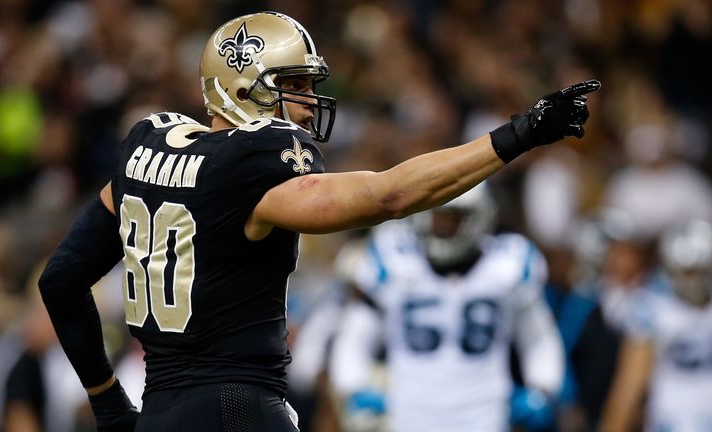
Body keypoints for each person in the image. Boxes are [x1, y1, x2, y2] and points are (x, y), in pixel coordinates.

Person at [37, 11, 599, 432]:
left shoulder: (147, 152)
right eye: (294, 85)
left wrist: (108, 400)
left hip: (159, 413)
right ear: (239, 89)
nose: (308, 102)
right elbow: (391, 196)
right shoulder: (251, 166)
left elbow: (61, 279)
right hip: (240, 407)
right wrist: (520, 133)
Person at [328, 183, 565, 432]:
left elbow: (538, 337)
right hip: (408, 414)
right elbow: (355, 335)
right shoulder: (393, 258)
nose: (441, 226)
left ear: (479, 217)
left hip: (485, 414)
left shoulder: (507, 264)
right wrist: (353, 387)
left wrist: (542, 388)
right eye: (436, 216)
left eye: (452, 218)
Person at [600, 219, 712, 432]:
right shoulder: (653, 308)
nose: (691, 280)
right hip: (671, 422)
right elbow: (630, 384)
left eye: (697, 271)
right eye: (685, 271)